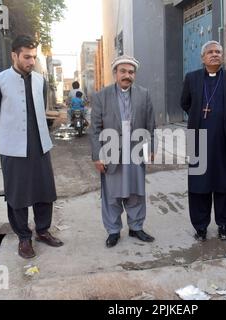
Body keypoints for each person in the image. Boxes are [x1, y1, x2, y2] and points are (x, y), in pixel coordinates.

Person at [0, 35, 64, 259]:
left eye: (34, 57)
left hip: (40, 145)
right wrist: (10, 134)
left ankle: (42, 231)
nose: (31, 62)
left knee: (44, 191)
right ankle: (23, 238)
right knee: (17, 195)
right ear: (14, 55)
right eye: (26, 57)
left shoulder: (40, 80)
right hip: (13, 149)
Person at [181, 41, 226, 241]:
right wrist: (198, 116)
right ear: (203, 58)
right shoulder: (191, 78)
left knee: (224, 184)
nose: (214, 55)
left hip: (223, 140)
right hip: (198, 140)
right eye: (210, 52)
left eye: (218, 51)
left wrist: (225, 119)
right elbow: (185, 102)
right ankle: (200, 226)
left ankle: (224, 225)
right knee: (198, 185)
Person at [90, 55, 156, 248]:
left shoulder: (144, 94)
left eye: (131, 72)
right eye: (123, 71)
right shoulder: (101, 96)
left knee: (136, 192)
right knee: (112, 194)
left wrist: (150, 148)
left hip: (136, 151)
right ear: (115, 73)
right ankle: (113, 231)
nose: (127, 75)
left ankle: (136, 227)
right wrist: (97, 156)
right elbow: (94, 129)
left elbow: (151, 124)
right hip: (111, 152)